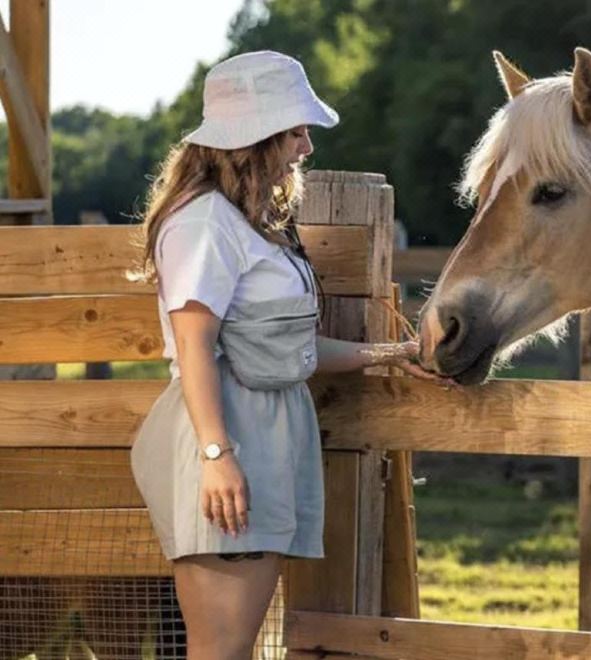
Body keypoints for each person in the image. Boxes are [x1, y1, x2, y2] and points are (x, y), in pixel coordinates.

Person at [130, 50, 441, 659]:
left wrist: (388, 352)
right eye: (296, 130)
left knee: (235, 646)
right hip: (230, 439)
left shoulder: (245, 223)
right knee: (221, 647)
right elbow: (194, 346)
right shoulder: (204, 224)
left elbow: (281, 352)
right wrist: (218, 456)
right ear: (256, 137)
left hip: (261, 439)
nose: (306, 146)